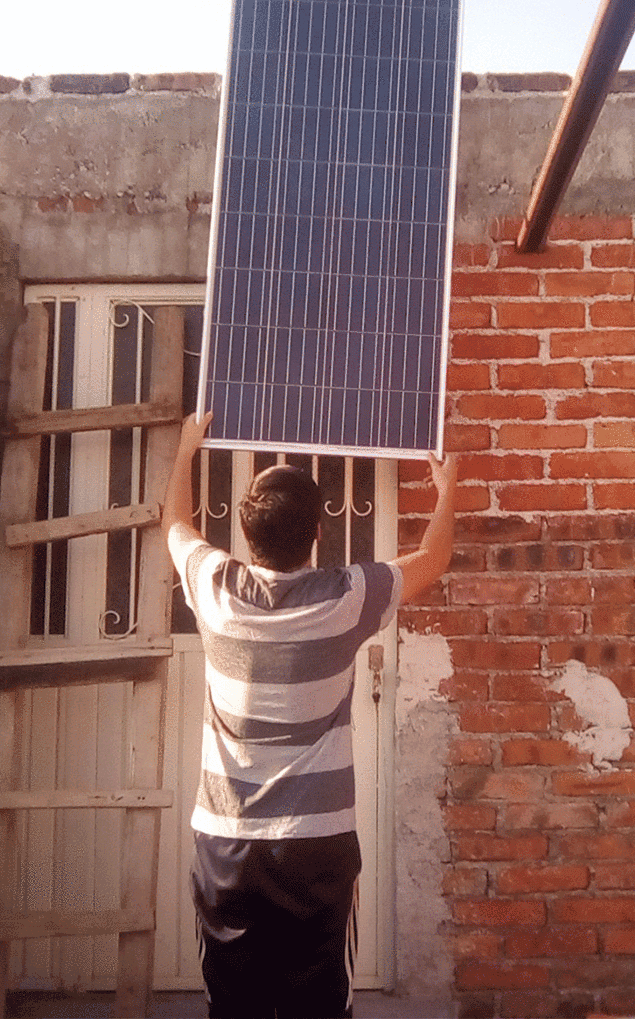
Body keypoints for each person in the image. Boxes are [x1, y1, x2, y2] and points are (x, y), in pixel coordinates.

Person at [162, 410, 458, 1019]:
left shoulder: (214, 588)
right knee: (319, 1007)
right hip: (316, 847)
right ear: (318, 532)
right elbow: (433, 559)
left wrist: (188, 450)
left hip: (228, 844)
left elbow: (174, 524)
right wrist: (447, 489)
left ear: (246, 534)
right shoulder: (346, 600)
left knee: (233, 1008)